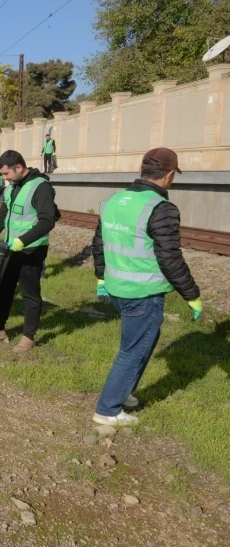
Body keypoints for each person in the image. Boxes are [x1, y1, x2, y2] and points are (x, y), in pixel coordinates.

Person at [90, 148, 201, 426]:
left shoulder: (113, 200)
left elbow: (99, 243)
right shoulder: (161, 208)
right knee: (133, 351)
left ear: (143, 170)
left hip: (117, 289)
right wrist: (192, 295)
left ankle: (123, 394)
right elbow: (170, 257)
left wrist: (101, 277)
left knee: (138, 345)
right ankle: (108, 410)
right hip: (144, 295)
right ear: (170, 175)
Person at [0, 150, 57, 353]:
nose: (5, 178)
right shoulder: (12, 188)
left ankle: (28, 337)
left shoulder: (41, 187)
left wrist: (23, 240)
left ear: (18, 167)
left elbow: (47, 221)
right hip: (11, 248)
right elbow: (2, 217)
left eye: (6, 174)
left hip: (32, 249)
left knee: (30, 293)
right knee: (4, 288)